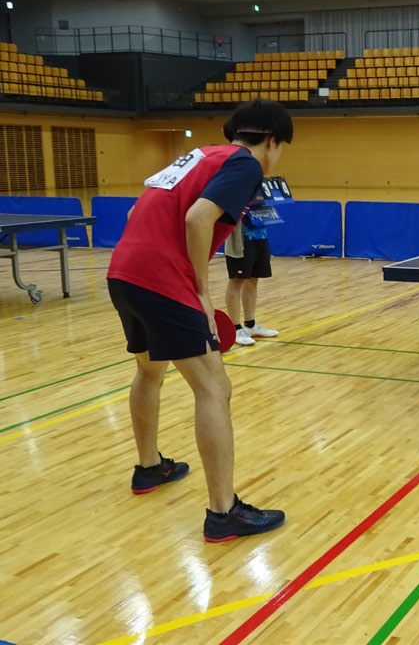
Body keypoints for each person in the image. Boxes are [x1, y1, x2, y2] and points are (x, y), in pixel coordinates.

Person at [107, 98, 294, 541]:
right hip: (163, 281)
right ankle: (223, 512)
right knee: (214, 388)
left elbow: (135, 212)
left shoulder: (197, 156)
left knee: (149, 371)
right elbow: (198, 217)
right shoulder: (245, 164)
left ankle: (149, 467)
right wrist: (201, 291)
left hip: (123, 272)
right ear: (272, 141)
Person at [224, 213, 280, 346]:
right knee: (237, 280)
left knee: (253, 278)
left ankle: (250, 325)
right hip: (240, 236)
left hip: (259, 232)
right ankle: (235, 329)